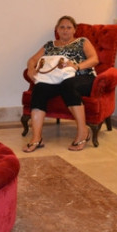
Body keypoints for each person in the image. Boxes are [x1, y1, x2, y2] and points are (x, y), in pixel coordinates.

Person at [23, 16, 99, 153]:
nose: (65, 30)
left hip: (82, 77)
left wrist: (76, 66)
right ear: (57, 30)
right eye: (62, 27)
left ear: (74, 30)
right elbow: (32, 59)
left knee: (68, 85)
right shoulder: (49, 45)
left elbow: (94, 59)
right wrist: (30, 69)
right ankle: (36, 138)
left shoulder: (82, 41)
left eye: (69, 27)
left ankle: (83, 132)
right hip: (55, 79)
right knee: (39, 88)